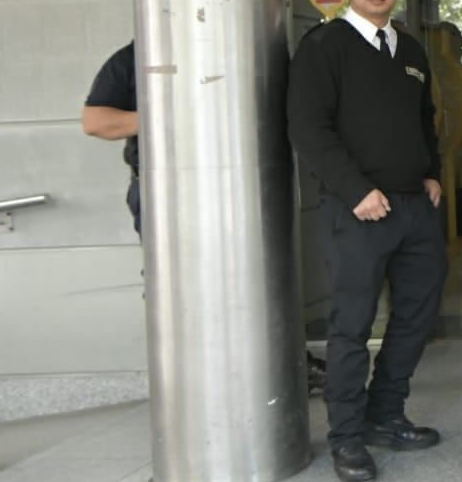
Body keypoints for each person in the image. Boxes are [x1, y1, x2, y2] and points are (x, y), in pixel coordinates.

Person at [287, 0, 448, 482]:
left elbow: (425, 120)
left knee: (415, 320)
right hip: (356, 210)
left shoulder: (409, 50)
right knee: (351, 328)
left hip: (413, 209)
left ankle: (385, 415)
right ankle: (347, 438)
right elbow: (309, 129)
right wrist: (356, 190)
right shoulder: (324, 47)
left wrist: (432, 174)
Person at [86, 42, 328, 393]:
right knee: (175, 287)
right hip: (163, 189)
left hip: (240, 182)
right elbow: (95, 121)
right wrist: (170, 113)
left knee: (258, 276)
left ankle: (286, 367)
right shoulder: (136, 56)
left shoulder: (239, 44)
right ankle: (194, 387)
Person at [82, 42, 141, 235]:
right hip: (158, 186)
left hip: (231, 182)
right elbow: (96, 122)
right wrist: (174, 117)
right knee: (167, 263)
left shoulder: (230, 51)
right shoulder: (134, 57)